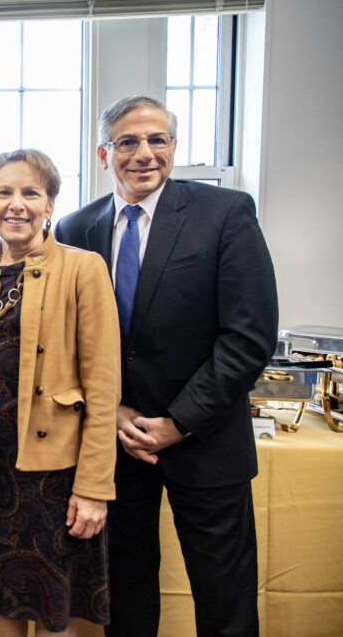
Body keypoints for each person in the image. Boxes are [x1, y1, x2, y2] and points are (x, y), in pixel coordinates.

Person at [54, 95, 278, 636]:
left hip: (205, 441)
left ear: (174, 147)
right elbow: (63, 344)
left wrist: (178, 422)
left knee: (225, 601)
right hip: (115, 447)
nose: (144, 153)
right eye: (128, 141)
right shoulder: (74, 228)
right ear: (105, 153)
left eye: (158, 140)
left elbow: (249, 337)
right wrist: (110, 413)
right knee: (125, 600)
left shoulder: (226, 213)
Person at [0, 149, 120, 637]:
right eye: (3, 193)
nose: (15, 204)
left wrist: (94, 487)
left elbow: (104, 389)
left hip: (55, 473)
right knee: (0, 592)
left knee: (51, 605)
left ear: (50, 204)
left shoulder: (84, 269)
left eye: (30, 193)